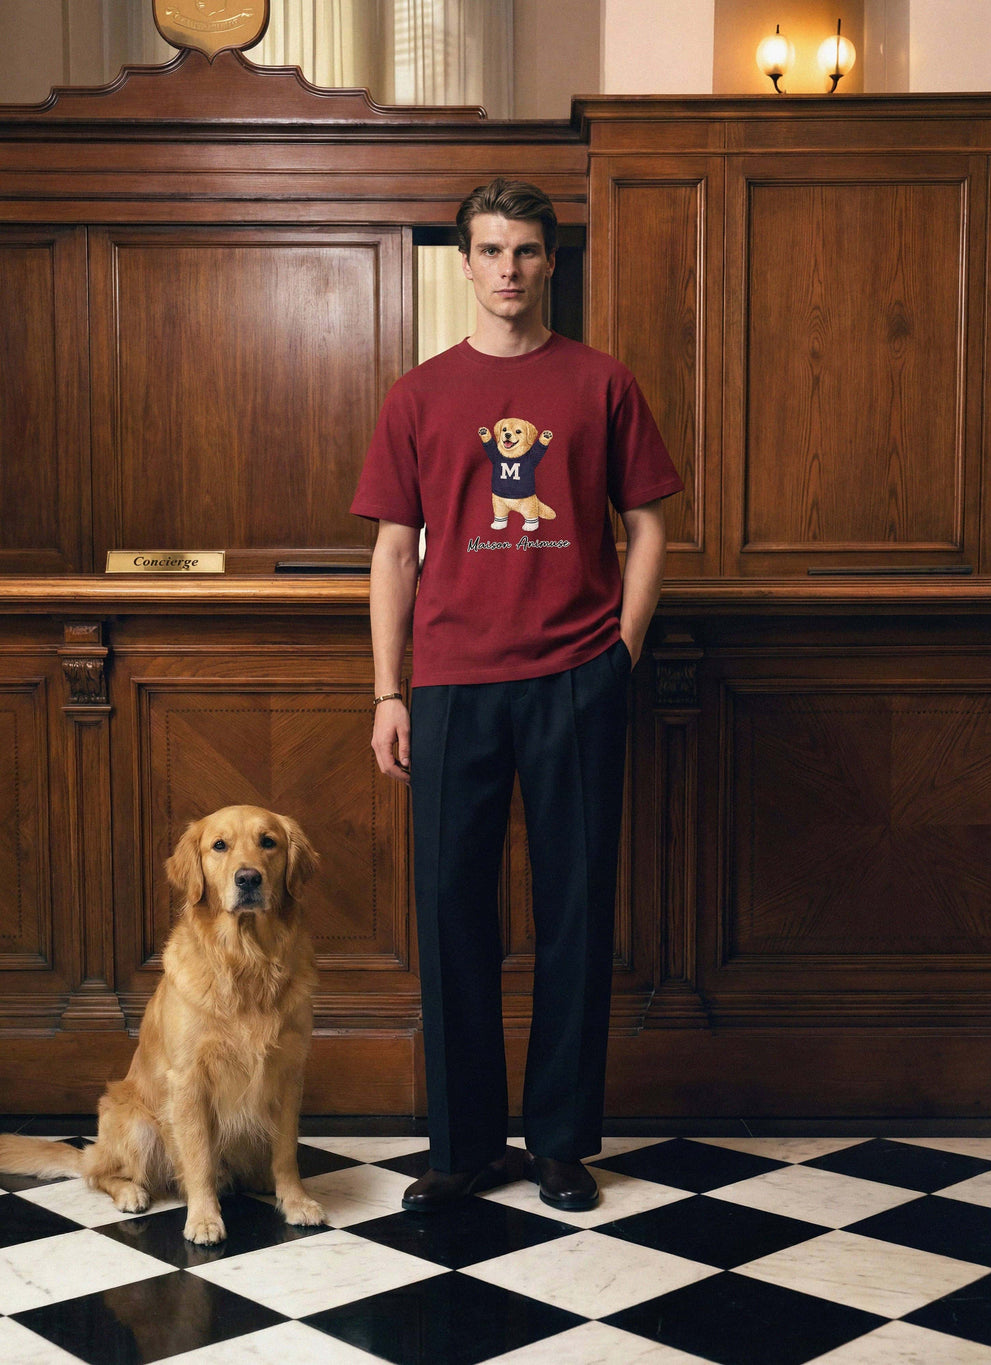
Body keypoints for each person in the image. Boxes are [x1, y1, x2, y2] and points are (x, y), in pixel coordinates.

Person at [351, 178, 682, 1213]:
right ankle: (459, 1148)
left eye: (528, 252)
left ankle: (558, 1143)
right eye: (490, 251)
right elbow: (394, 551)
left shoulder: (601, 383)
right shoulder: (418, 394)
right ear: (464, 265)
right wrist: (386, 691)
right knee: (452, 915)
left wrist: (616, 654)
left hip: (573, 680)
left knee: (576, 912)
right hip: (451, 685)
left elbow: (648, 529)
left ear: (548, 263)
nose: (508, 270)